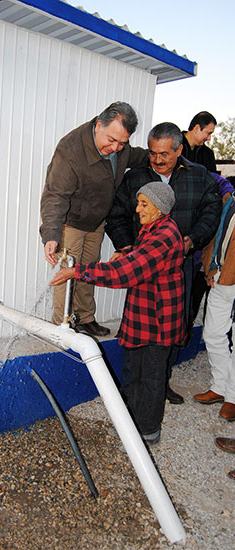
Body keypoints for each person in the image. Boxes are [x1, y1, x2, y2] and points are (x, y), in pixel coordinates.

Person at [50, 181, 186, 444]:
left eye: (144, 204)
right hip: (142, 315)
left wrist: (78, 272)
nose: (137, 209)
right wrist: (126, 252)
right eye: (139, 202)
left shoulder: (165, 235)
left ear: (161, 207)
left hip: (157, 321)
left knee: (150, 379)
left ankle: (147, 430)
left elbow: (127, 273)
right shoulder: (153, 228)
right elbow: (139, 257)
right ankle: (130, 423)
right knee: (133, 372)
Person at [105, 122, 222, 404]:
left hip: (181, 266)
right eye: (152, 153)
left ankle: (160, 382)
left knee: (172, 326)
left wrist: (192, 239)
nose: (157, 160)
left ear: (179, 150)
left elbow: (212, 211)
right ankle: (132, 391)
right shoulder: (135, 177)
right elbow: (117, 214)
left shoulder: (199, 175)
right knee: (137, 327)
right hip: (142, 266)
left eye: (164, 155)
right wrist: (126, 247)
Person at [39, 102, 148, 337]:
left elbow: (139, 157)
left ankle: (85, 318)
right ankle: (62, 326)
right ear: (99, 125)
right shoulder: (71, 150)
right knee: (67, 275)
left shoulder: (121, 147)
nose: (116, 147)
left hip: (96, 223)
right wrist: (51, 235)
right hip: (70, 224)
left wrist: (163, 156)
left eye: (122, 143)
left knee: (88, 272)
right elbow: (54, 195)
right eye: (111, 140)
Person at [181, 112, 234, 325]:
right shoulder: (176, 146)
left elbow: (214, 184)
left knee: (198, 283)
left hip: (201, 228)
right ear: (196, 128)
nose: (209, 138)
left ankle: (189, 326)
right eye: (208, 132)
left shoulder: (208, 154)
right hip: (181, 224)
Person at [193, 191, 235, 421]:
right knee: (212, 335)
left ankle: (233, 397)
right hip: (219, 278)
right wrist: (210, 268)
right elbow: (214, 237)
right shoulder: (228, 201)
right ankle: (220, 386)